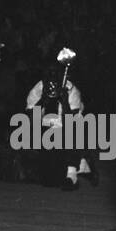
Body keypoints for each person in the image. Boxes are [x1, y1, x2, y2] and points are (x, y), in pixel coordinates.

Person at [24, 50, 96, 190]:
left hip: (67, 130)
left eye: (55, 72)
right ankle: (83, 165)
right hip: (45, 131)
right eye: (49, 72)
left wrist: (65, 103)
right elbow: (30, 117)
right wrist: (43, 101)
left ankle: (72, 177)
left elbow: (72, 121)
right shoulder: (39, 88)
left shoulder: (71, 90)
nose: (52, 75)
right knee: (49, 182)